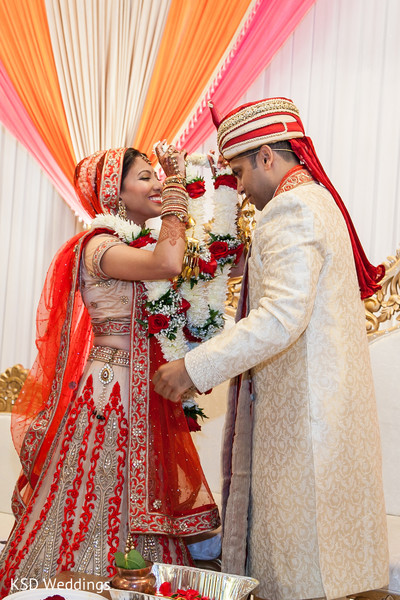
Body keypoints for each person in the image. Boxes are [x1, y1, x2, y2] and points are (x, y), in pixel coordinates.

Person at [153, 98, 389, 600]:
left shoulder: (292, 210)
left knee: (300, 579)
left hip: (306, 429)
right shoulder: (317, 203)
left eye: (238, 171)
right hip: (318, 420)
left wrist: (193, 368)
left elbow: (281, 317)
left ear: (266, 157)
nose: (237, 186)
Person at [0, 144, 220, 596]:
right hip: (110, 393)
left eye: (158, 177)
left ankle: (140, 583)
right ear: (113, 193)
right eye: (146, 177)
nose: (157, 183)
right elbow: (169, 261)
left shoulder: (135, 244)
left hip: (142, 391)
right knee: (101, 494)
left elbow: (184, 281)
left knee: (139, 493)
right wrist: (179, 186)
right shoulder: (100, 245)